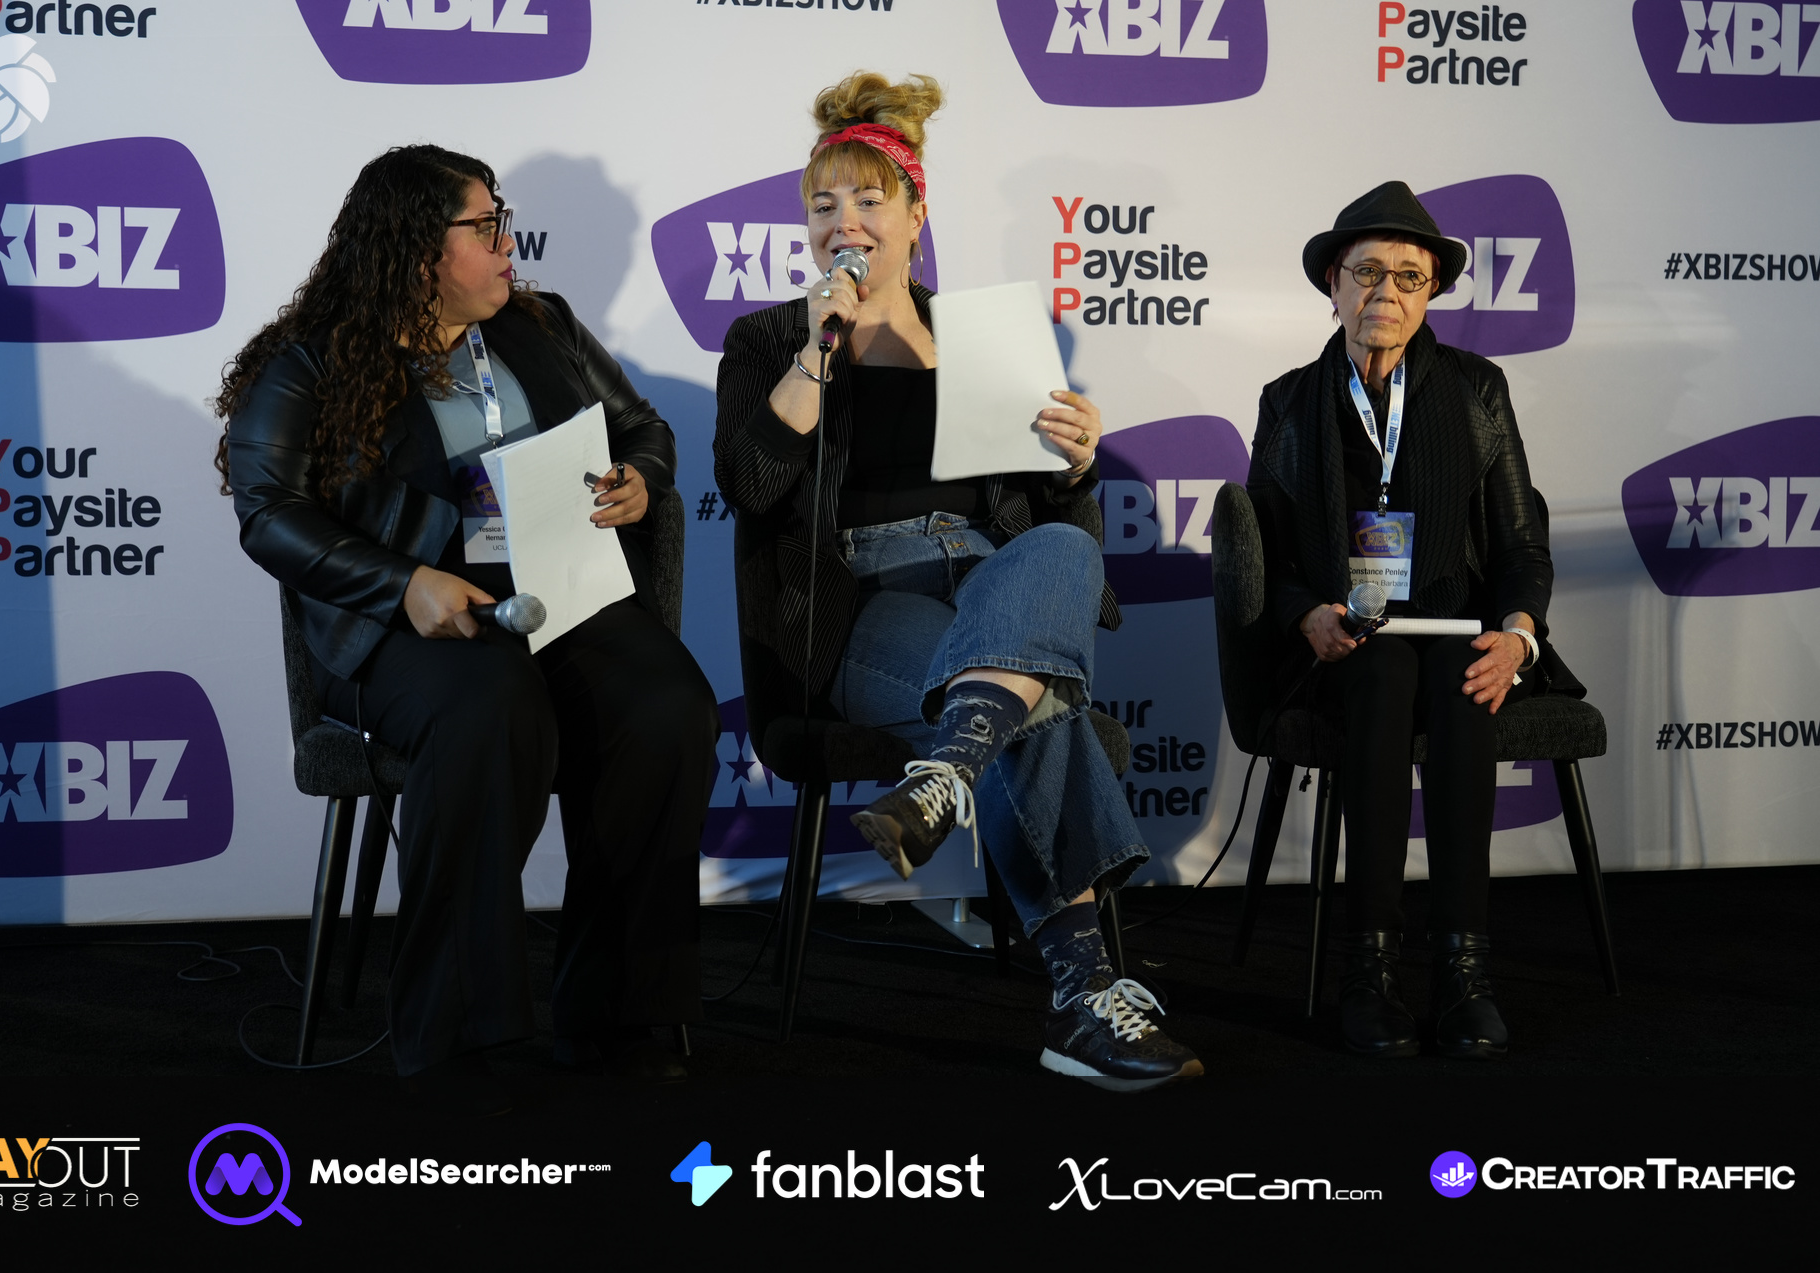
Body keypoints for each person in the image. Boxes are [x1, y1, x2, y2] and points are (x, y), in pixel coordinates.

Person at [714, 73, 1201, 1091]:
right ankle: (1083, 996)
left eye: (868, 200)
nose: (843, 223)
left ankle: (944, 774)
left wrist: (1076, 465)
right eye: (822, 205)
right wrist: (816, 352)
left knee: (1063, 552)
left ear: (915, 215)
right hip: (862, 602)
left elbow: (1061, 532)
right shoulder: (770, 339)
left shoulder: (982, 333)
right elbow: (751, 487)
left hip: (995, 580)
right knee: (1038, 709)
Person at [216, 145, 717, 1093]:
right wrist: (404, 581)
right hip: (412, 621)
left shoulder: (542, 325)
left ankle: (617, 1013)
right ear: (416, 251)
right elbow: (269, 513)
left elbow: (642, 426)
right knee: (489, 706)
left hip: (560, 594)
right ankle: (460, 1037)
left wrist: (640, 478)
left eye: (503, 220)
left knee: (667, 706)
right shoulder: (311, 363)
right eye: (485, 227)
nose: (507, 244)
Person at [1247, 181, 1583, 1061]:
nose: (1385, 293)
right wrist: (1305, 614)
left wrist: (1518, 633)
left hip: (1456, 623)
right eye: (1367, 272)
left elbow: (1521, 542)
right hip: (1345, 636)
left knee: (1467, 678)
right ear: (1333, 283)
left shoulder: (1476, 389)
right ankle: (1370, 969)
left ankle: (1464, 969)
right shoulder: (1289, 401)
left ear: (1431, 292)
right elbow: (1267, 557)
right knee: (1383, 669)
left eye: (1408, 276)